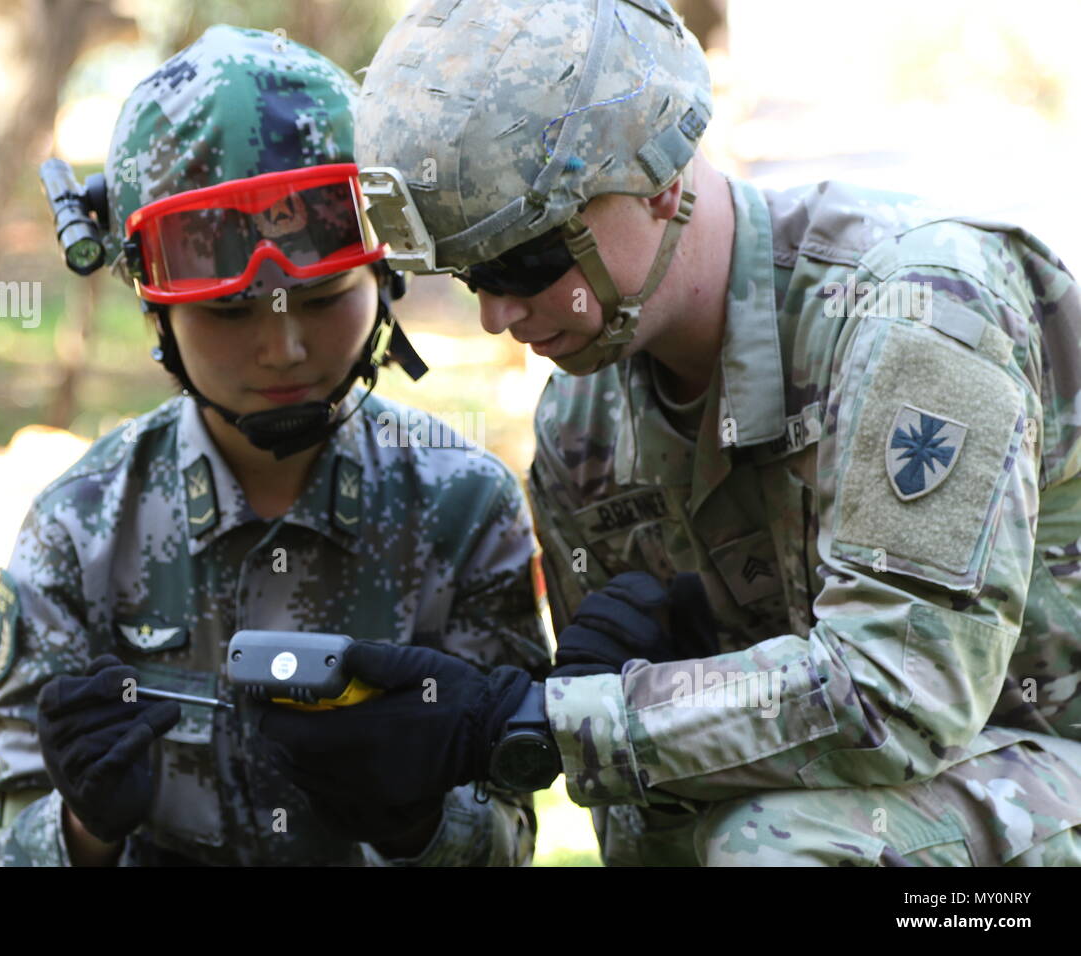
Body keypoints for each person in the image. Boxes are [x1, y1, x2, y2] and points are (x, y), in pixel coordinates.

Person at [255, 0, 1081, 866]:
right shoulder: (584, 426)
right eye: (468, 276)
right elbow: (641, 813)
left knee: (769, 847)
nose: (498, 313)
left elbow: (898, 693)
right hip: (902, 809)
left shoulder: (914, 310)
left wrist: (535, 719)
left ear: (661, 177)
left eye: (525, 260)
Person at [0, 23, 550, 867]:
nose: (283, 349)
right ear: (157, 314)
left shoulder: (465, 506)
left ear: (382, 279)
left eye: (321, 299)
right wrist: (82, 829)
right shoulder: (81, 528)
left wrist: (417, 826)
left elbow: (512, 828)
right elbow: (6, 844)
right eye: (230, 312)